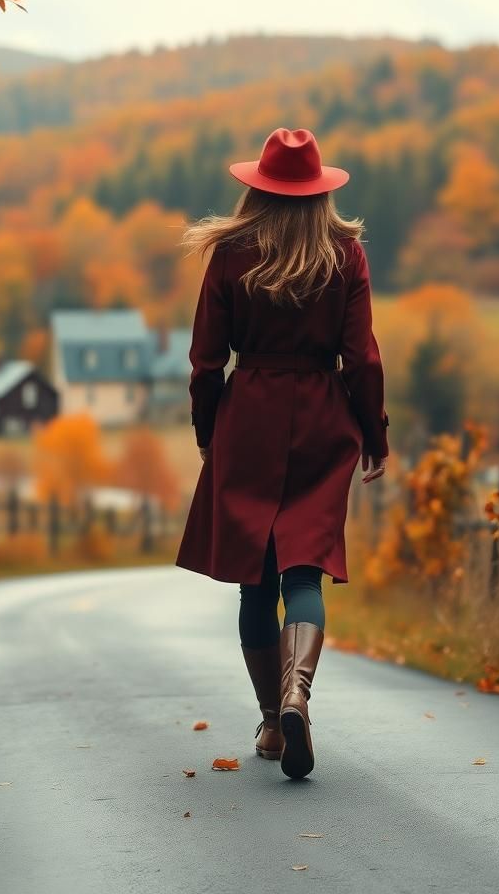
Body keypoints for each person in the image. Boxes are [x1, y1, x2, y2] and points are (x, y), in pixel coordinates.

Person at [175, 127, 389, 780]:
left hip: (249, 419)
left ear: (258, 190)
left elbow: (205, 360)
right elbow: (363, 359)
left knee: (256, 580)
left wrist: (209, 431)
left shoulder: (231, 255)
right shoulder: (345, 254)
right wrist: (374, 436)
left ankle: (272, 720)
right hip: (322, 419)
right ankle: (300, 694)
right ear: (320, 192)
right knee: (304, 573)